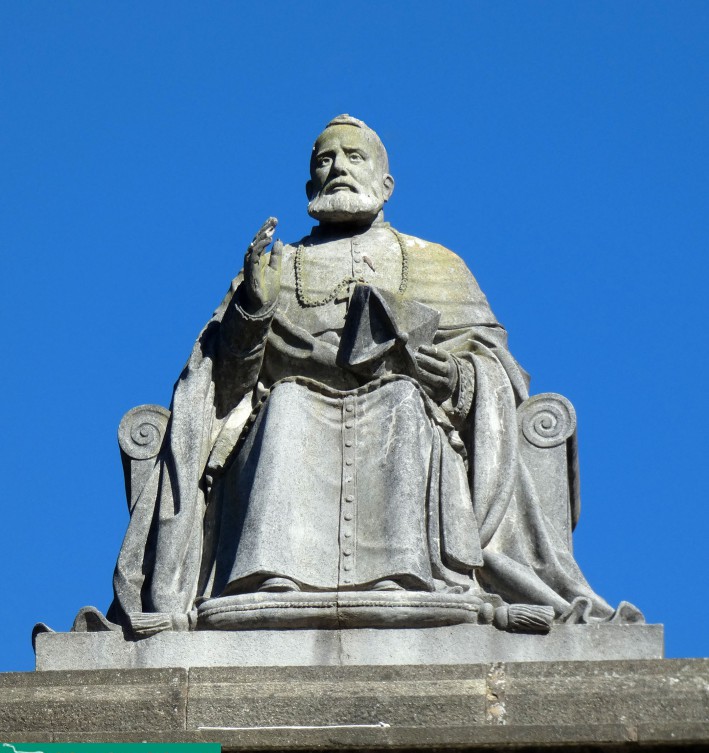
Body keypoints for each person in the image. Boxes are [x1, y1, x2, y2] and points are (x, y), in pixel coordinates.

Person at [107, 115, 638, 634]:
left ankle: (400, 573)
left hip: (409, 412)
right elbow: (221, 385)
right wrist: (252, 312)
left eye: (353, 156)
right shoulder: (273, 266)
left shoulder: (436, 262)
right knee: (289, 399)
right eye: (324, 159)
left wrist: (453, 376)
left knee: (401, 400)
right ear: (308, 181)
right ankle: (272, 577)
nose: (337, 166)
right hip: (284, 414)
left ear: (386, 184)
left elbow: (496, 367)